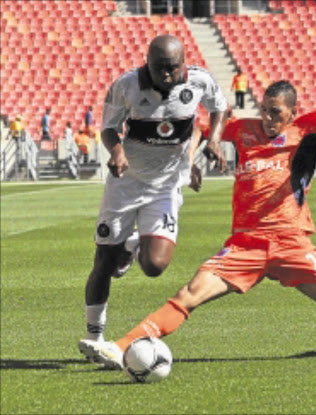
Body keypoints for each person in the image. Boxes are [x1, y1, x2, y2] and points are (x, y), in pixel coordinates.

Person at [79, 57, 316, 369]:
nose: (269, 119)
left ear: (292, 113)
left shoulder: (307, 133)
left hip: (292, 244)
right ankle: (121, 347)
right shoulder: (244, 130)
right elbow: (198, 129)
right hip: (245, 246)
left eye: (277, 113)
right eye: (266, 110)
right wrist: (190, 159)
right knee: (189, 295)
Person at [78, 34, 229, 356]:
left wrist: (214, 140)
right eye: (158, 68)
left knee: (155, 266)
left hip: (164, 185)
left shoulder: (199, 80)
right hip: (126, 182)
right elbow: (108, 128)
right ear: (147, 61)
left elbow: (219, 107)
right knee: (104, 259)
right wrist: (116, 151)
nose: (165, 74)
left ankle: (132, 246)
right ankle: (95, 336)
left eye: (172, 68)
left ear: (183, 64)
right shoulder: (127, 85)